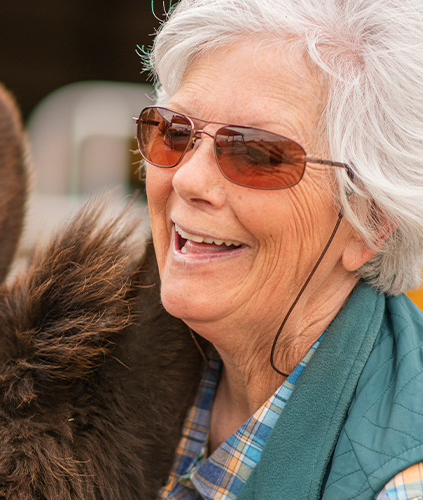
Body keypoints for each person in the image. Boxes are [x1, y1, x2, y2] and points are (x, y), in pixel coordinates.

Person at [135, 0, 423, 498]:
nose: (187, 179)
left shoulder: (400, 485)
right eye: (175, 132)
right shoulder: (80, 365)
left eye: (257, 151)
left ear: (371, 221)